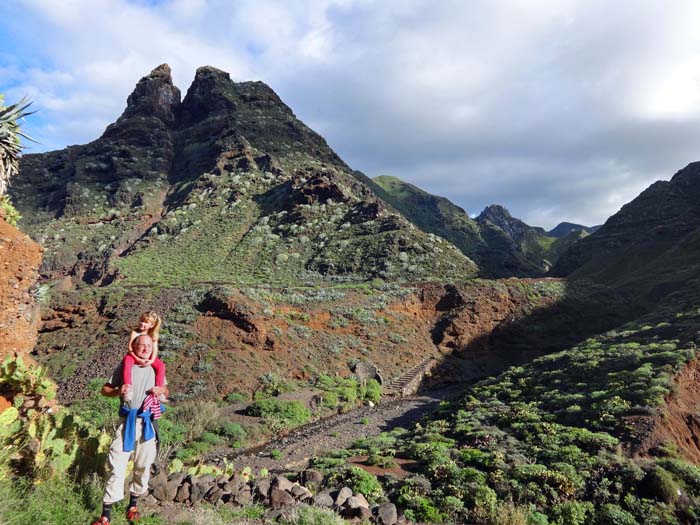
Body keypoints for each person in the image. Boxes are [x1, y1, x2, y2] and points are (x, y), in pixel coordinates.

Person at [91, 335, 168, 525]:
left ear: (153, 348)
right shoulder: (126, 366)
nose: (145, 349)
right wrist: (119, 391)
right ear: (134, 347)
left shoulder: (156, 367)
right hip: (127, 422)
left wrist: (162, 391)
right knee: (116, 465)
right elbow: (105, 390)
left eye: (148, 346)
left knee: (143, 466)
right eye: (141, 346)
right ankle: (106, 515)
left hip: (148, 423)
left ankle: (133, 506)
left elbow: (166, 390)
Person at [123, 311, 166, 402]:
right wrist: (137, 358)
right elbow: (130, 347)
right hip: (133, 355)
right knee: (127, 362)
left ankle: (159, 390)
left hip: (148, 357)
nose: (142, 323)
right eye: (141, 321)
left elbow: (155, 350)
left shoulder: (153, 335)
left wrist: (152, 360)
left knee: (161, 366)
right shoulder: (135, 332)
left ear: (152, 325)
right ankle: (128, 389)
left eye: (146, 322)